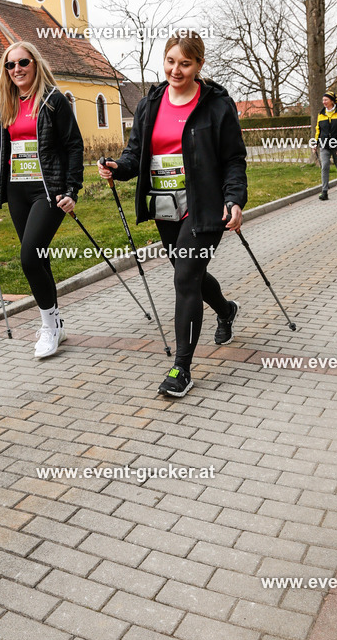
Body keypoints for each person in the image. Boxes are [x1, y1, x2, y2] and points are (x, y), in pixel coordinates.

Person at [98, 30, 247, 398]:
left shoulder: (216, 105)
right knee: (190, 274)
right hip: (165, 206)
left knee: (184, 278)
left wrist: (235, 199)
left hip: (204, 205)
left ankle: (181, 367)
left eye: (185, 63)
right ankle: (226, 309)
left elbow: (233, 159)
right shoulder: (150, 104)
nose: (176, 70)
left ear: (199, 65)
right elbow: (136, 156)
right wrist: (118, 166)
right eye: (170, 61)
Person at [0, 41, 84, 358]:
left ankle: (48, 328)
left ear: (35, 64)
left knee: (29, 257)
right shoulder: (6, 105)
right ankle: (56, 323)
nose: (16, 69)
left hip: (48, 191)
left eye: (22, 62)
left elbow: (74, 147)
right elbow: (0, 154)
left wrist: (71, 190)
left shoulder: (53, 101)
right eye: (10, 65)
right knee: (40, 258)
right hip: (17, 192)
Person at [314, 91, 337, 198]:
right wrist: (315, 142)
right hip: (324, 144)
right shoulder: (321, 114)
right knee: (325, 166)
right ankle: (324, 191)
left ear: (332, 101)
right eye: (323, 100)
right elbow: (318, 129)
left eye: (326, 100)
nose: (323, 102)